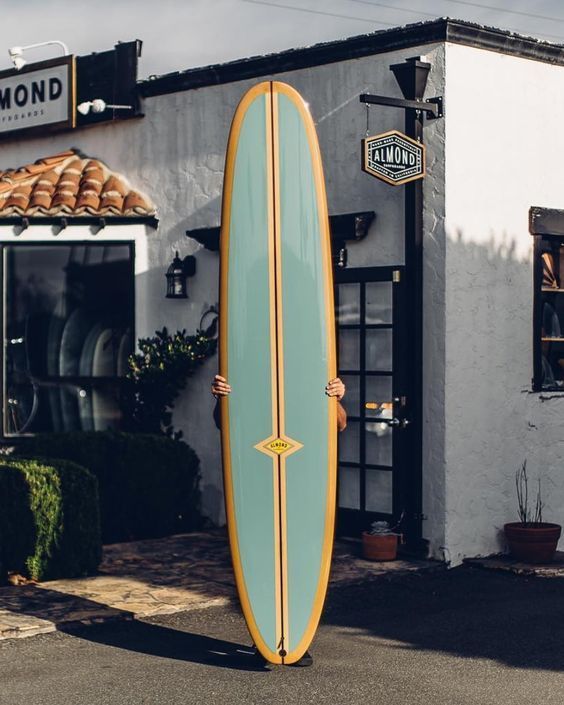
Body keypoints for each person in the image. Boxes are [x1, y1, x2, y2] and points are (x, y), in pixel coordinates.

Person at [211, 373, 347, 667]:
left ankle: (297, 638)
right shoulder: (251, 373)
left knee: (300, 559)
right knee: (264, 558)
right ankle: (268, 637)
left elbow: (339, 424)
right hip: (260, 480)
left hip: (304, 481)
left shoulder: (311, 372)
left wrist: (336, 397)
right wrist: (222, 397)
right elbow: (225, 423)